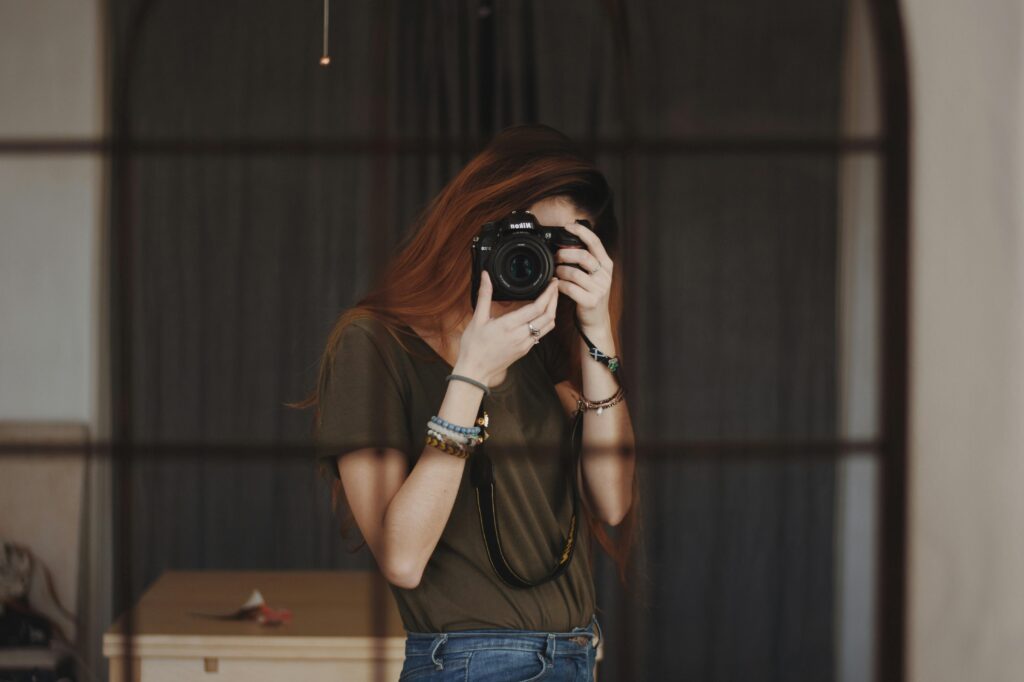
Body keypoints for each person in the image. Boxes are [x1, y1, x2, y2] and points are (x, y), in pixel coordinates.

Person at [305, 123, 639, 681]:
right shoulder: (374, 344)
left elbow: (611, 501)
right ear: (477, 224)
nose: (540, 259)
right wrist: (471, 376)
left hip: (577, 656)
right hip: (469, 665)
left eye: (566, 246)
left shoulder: (545, 350)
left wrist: (598, 332)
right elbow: (403, 560)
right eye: (529, 235)